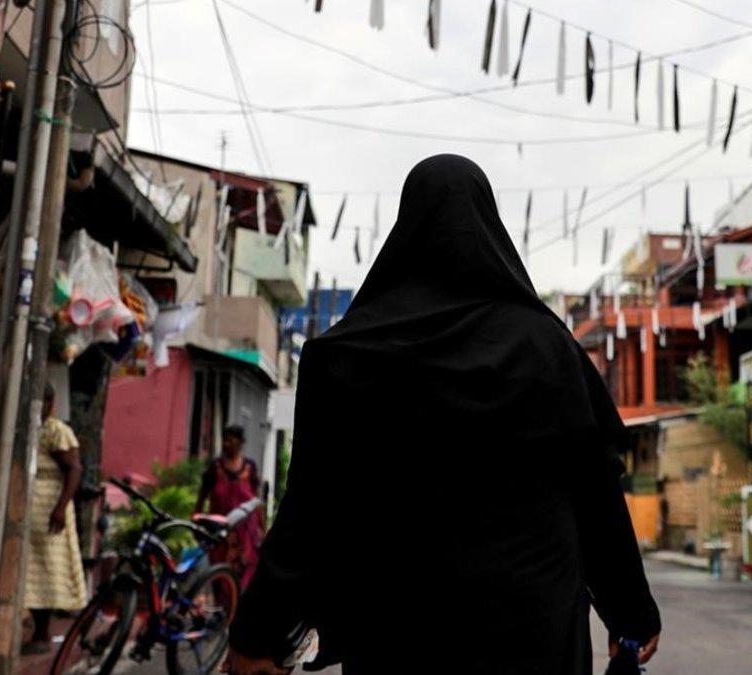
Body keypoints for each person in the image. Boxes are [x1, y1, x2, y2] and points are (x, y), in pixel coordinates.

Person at [223, 155, 660, 675]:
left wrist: (258, 631)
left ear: (407, 227)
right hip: (534, 632)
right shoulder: (548, 350)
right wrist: (630, 612)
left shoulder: (350, 354)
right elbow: (595, 496)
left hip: (400, 633)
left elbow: (313, 509)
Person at [22, 384, 88, 654]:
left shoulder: (56, 430)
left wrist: (60, 507)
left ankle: (42, 633)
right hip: (29, 505)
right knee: (30, 569)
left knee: (46, 568)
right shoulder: (27, 427)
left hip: (49, 507)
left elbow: (74, 469)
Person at [196, 425, 264, 589]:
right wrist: (197, 519)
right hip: (220, 529)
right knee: (219, 572)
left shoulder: (249, 467)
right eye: (224, 440)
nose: (226, 444)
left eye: (230, 441)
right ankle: (224, 611)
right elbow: (202, 495)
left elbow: (256, 499)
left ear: (241, 442)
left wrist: (263, 528)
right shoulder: (216, 467)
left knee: (247, 570)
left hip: (246, 531)